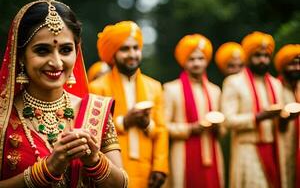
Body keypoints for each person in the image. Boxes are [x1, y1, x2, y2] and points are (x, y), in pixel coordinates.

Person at [0, 0, 128, 188]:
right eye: (43, 50)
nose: (57, 62)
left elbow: (122, 185)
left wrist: (95, 161)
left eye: (66, 50)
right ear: (21, 56)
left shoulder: (96, 110)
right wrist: (47, 170)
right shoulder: (3, 115)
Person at [89, 21, 168, 188]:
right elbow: (92, 134)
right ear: (113, 53)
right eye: (125, 49)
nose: (132, 54)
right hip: (112, 169)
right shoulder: (97, 88)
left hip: (147, 169)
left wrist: (160, 168)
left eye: (135, 48)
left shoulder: (154, 86)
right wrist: (124, 121)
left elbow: (161, 130)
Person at [221, 31, 286, 188]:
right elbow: (228, 119)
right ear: (248, 57)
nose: (262, 60)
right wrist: (258, 117)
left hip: (274, 149)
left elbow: (280, 117)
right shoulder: (234, 82)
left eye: (266, 55)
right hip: (247, 149)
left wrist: (286, 117)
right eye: (257, 55)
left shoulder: (276, 84)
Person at [163, 34, 225, 188]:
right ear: (184, 61)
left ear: (207, 61)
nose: (196, 63)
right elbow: (163, 125)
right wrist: (190, 129)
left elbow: (224, 129)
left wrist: (218, 127)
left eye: (200, 58)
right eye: (191, 59)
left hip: (212, 153)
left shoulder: (215, 90)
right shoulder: (171, 89)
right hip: (183, 153)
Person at [274, 44, 300, 188]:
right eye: (292, 64)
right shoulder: (275, 87)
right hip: (281, 145)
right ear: (282, 65)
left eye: (299, 64)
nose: (297, 68)